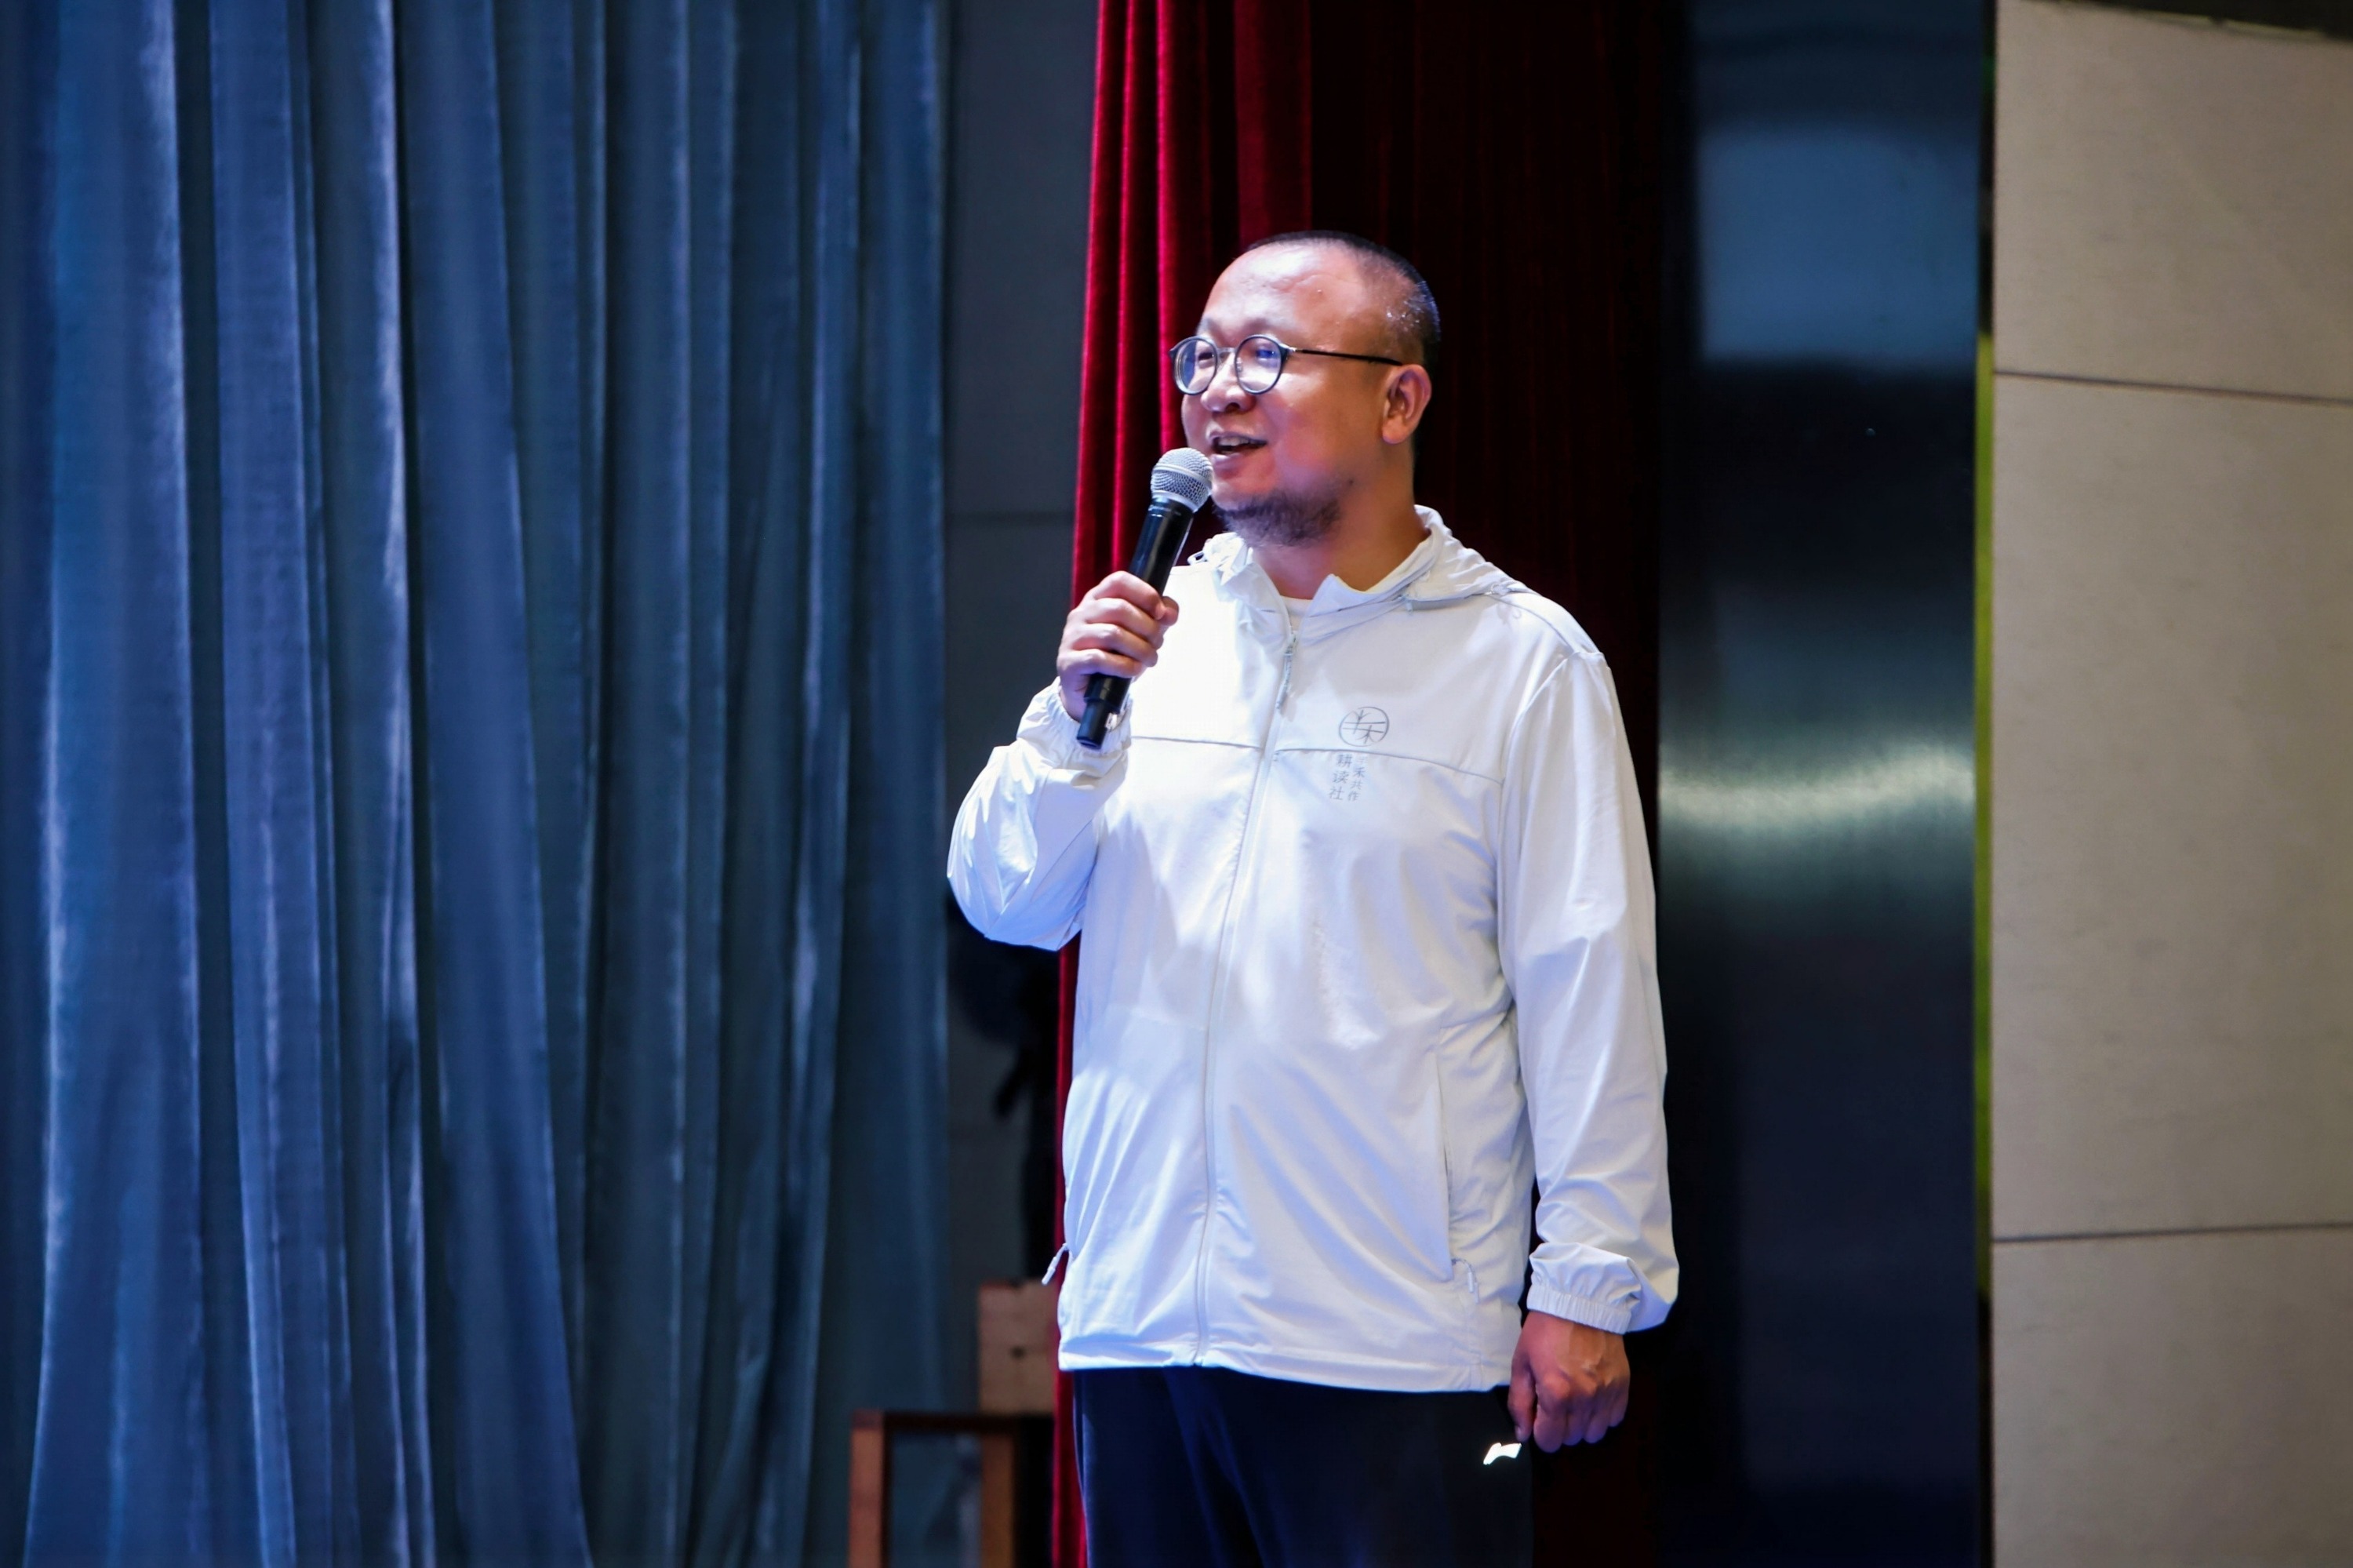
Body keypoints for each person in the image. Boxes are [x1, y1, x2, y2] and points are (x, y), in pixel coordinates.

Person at [948, 230, 1675, 1566]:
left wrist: (1590, 1283)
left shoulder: (1522, 663)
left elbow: (1591, 989)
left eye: (1269, 355)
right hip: (1142, 1326)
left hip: (1389, 1338)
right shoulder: (1149, 641)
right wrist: (1071, 723)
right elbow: (1006, 901)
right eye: (1204, 357)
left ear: (1400, 400)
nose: (1221, 389)